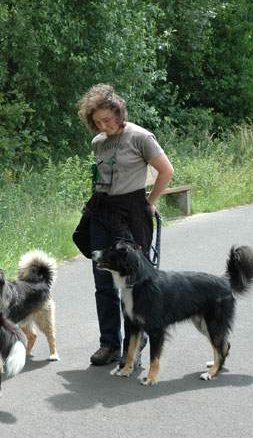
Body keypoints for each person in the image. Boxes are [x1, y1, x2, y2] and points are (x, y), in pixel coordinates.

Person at [76, 84, 174, 366]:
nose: (103, 126)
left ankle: (137, 337)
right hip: (101, 211)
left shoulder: (141, 136)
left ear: (119, 112)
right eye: (97, 122)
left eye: (107, 119)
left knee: (136, 281)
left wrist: (150, 201)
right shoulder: (98, 142)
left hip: (132, 212)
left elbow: (166, 171)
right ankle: (108, 343)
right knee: (102, 281)